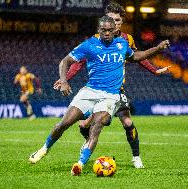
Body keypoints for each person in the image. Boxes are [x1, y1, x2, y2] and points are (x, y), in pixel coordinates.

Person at [29, 16, 170, 176]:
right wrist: (64, 81)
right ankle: (44, 149)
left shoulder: (122, 44)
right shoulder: (90, 45)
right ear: (99, 30)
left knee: (97, 126)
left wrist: (157, 48)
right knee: (65, 123)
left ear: (115, 30)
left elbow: (137, 56)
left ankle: (80, 164)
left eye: (110, 30)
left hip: (111, 96)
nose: (107, 33)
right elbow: (65, 61)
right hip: (89, 92)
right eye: (104, 30)